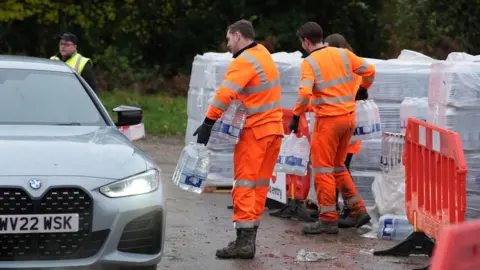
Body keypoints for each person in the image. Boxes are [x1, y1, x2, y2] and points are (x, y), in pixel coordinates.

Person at [193, 19, 283, 259]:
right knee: (259, 186)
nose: (227, 46)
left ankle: (243, 242)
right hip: (274, 130)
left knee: (244, 184)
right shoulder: (262, 53)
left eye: (228, 39)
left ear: (237, 35)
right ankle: (249, 240)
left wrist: (208, 123)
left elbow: (225, 95)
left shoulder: (243, 61)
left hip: (256, 131)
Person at [288, 22, 375, 235]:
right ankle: (358, 210)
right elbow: (370, 70)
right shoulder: (343, 54)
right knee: (338, 167)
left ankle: (328, 219)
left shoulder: (309, 62)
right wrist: (363, 88)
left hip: (328, 122)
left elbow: (305, 93)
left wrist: (296, 114)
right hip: (348, 119)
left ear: (306, 42)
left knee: (322, 169)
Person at [324, 33, 368, 227]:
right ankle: (343, 210)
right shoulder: (355, 66)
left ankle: (350, 211)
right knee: (340, 168)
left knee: (338, 169)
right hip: (349, 124)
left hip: (340, 123)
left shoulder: (343, 69)